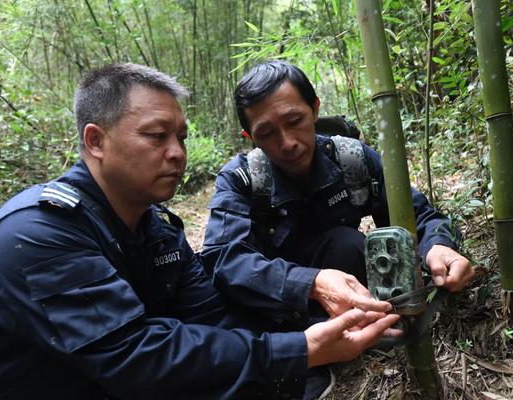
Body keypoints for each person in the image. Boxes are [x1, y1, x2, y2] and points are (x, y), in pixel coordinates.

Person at [0, 63, 400, 400]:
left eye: (181, 137)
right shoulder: (38, 233)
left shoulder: (157, 230)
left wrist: (308, 347)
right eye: (157, 136)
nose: (177, 153)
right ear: (95, 141)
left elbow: (212, 318)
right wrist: (299, 350)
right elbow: (136, 355)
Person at [200, 60, 474, 326]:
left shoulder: (351, 160)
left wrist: (438, 247)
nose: (287, 143)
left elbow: (417, 215)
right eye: (267, 133)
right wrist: (312, 283)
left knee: (348, 244)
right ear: (250, 137)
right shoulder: (242, 179)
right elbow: (224, 260)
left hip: (357, 297)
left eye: (295, 121)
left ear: (315, 109)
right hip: (280, 311)